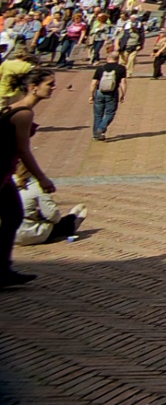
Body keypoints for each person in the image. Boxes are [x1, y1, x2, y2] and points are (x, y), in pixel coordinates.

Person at [2, 66, 58, 285]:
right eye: (49, 84)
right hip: (2, 170)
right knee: (12, 217)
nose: (53, 88)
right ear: (34, 88)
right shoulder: (24, 113)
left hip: (5, 171)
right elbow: (23, 150)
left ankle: (3, 269)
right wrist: (42, 178)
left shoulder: (13, 107)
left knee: (12, 217)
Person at [14, 172, 85, 246]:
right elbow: (53, 216)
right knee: (81, 209)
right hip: (32, 234)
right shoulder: (36, 185)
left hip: (11, 236)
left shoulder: (7, 182)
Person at [89, 49, 127, 141]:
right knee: (110, 113)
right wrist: (123, 94)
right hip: (112, 93)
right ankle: (101, 129)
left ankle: (96, 134)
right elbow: (123, 82)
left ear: (108, 58)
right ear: (118, 59)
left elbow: (94, 83)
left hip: (99, 92)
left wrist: (91, 95)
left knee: (98, 114)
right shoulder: (121, 68)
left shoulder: (100, 68)